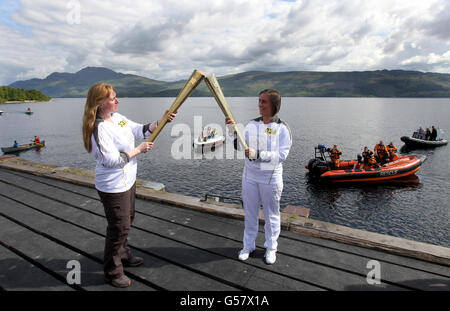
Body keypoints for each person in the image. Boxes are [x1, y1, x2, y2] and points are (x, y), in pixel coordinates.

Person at [82, 82, 176, 288]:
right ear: (99, 103)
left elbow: (139, 130)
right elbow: (111, 161)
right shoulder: (98, 128)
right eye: (112, 99)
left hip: (128, 181)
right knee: (119, 228)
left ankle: (123, 255)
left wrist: (161, 121)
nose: (117, 101)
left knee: (127, 220)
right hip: (113, 186)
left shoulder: (117, 118)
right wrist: (138, 150)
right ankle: (112, 271)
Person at [225, 89, 292, 265]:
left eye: (264, 102)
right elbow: (239, 146)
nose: (260, 105)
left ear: (274, 105)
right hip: (250, 177)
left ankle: (271, 247)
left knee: (271, 215)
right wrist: (232, 132)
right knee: (250, 213)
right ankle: (248, 246)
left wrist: (258, 154)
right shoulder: (251, 125)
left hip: (270, 179)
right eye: (259, 101)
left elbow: (282, 155)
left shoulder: (282, 129)